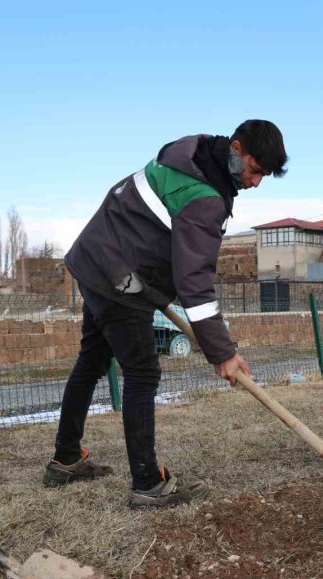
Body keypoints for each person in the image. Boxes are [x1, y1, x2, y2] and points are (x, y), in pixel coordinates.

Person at [43, 120, 288, 509]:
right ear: (237, 148)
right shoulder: (205, 196)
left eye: (263, 176)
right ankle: (147, 483)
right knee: (143, 373)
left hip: (95, 260)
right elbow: (194, 280)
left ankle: (66, 458)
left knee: (91, 360)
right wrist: (222, 352)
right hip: (119, 280)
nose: (256, 182)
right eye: (255, 170)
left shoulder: (189, 154)